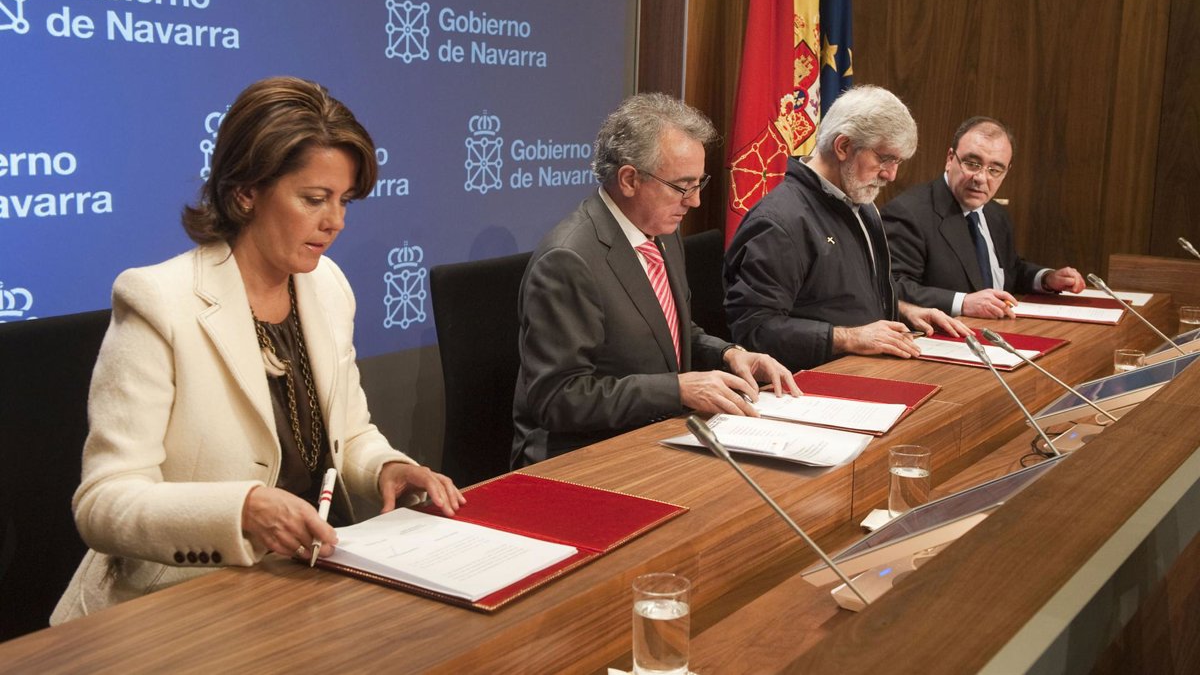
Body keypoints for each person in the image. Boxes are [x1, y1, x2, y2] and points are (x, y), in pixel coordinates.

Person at [52, 76, 463, 624]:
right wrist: (242, 510)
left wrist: (385, 467)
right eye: (314, 199)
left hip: (301, 586)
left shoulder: (327, 285)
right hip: (177, 604)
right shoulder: (158, 300)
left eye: (343, 201)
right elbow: (104, 503)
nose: (335, 222)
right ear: (246, 192)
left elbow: (350, 431)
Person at [511, 93, 798, 467]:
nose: (694, 201)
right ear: (630, 179)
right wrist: (677, 389)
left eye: (699, 183)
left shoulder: (660, 232)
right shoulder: (568, 260)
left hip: (652, 433)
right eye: (682, 186)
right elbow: (558, 399)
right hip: (580, 457)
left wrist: (731, 354)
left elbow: (672, 333)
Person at [724, 85, 970, 372]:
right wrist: (849, 338)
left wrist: (903, 311)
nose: (891, 175)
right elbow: (754, 330)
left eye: (898, 162)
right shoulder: (778, 223)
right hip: (811, 382)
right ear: (843, 146)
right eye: (885, 159)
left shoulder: (860, 203)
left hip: (867, 370)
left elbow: (844, 301)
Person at [881, 116, 1084, 319]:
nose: (980, 178)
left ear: (1006, 172)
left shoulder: (995, 214)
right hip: (944, 332)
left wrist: (1046, 278)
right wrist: (963, 303)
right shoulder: (909, 212)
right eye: (972, 164)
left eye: (994, 170)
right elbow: (892, 285)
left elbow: (1009, 270)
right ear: (950, 159)